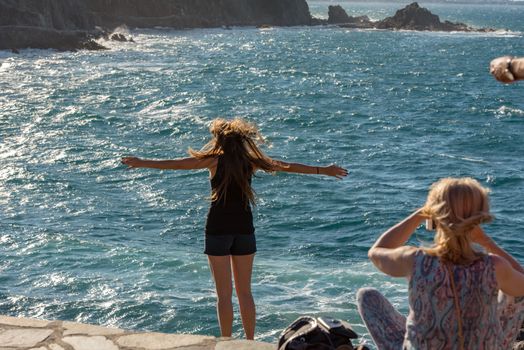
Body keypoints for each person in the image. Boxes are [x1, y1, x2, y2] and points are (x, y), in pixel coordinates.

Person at [121, 118, 348, 340]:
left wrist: (142, 162)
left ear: (219, 140)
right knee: (245, 293)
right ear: (241, 141)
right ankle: (249, 341)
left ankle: (227, 341)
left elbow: (177, 164)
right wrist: (323, 170)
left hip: (217, 229)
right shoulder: (250, 161)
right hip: (244, 229)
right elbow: (286, 166)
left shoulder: (212, 161)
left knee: (223, 295)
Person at [357, 177, 524, 349]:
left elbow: (375, 252)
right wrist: (486, 241)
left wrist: (419, 214)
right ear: (479, 217)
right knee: (515, 291)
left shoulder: (415, 260)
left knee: (367, 295)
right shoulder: (494, 266)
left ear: (434, 215)